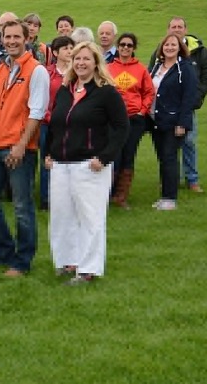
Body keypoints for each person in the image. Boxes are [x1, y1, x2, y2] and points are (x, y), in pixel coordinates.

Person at [45, 41, 129, 285]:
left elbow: (122, 127)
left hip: (89, 165)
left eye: (86, 59)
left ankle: (88, 269)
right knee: (61, 215)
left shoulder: (106, 93)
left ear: (96, 63)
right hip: (61, 164)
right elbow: (56, 123)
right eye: (77, 59)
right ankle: (67, 261)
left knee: (90, 217)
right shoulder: (64, 90)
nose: (81, 63)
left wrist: (104, 158)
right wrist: (50, 152)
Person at [0, 19, 49, 277]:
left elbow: (37, 111)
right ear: (1, 39)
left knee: (21, 206)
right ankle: (1, 253)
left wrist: (21, 145)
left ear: (27, 38)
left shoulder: (36, 71)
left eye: (17, 37)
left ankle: (22, 261)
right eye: (7, 37)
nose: (11, 41)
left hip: (20, 149)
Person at [149, 17, 207, 193]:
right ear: (168, 29)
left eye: (180, 27)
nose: (176, 29)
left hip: (187, 107)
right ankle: (171, 179)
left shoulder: (199, 52)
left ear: (185, 29)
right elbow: (151, 78)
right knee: (167, 148)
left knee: (189, 143)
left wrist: (197, 94)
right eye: (173, 27)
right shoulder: (159, 53)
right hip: (164, 110)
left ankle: (192, 179)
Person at [147, 34, 197, 210]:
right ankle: (165, 195)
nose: (169, 47)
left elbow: (189, 97)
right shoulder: (157, 67)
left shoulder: (185, 68)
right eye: (166, 45)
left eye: (173, 45)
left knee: (169, 158)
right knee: (163, 158)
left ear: (180, 48)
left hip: (174, 122)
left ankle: (170, 199)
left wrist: (182, 123)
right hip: (156, 120)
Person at [107, 33, 155, 208]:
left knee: (128, 154)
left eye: (129, 45)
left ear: (134, 48)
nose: (125, 48)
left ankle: (121, 196)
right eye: (122, 45)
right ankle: (107, 193)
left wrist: (143, 110)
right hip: (113, 119)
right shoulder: (109, 68)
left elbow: (149, 92)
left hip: (134, 118)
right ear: (117, 47)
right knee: (113, 154)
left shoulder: (141, 69)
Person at [39, 35, 75, 210]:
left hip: (71, 123)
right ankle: (46, 198)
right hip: (48, 123)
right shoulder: (46, 72)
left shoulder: (77, 73)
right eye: (66, 48)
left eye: (71, 48)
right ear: (55, 52)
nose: (70, 51)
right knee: (47, 158)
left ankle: (66, 197)